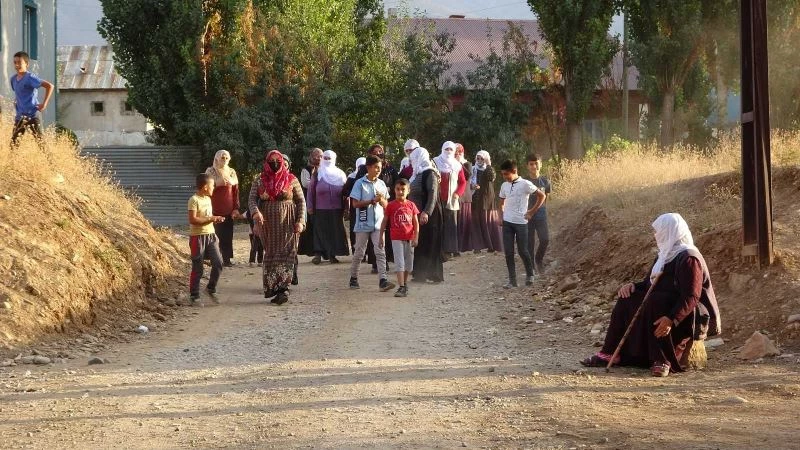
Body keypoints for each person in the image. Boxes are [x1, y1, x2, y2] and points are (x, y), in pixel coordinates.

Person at [581, 213, 721, 377]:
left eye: (659, 231)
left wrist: (671, 318)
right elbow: (650, 284)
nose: (656, 235)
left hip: (686, 314)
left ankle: (662, 359)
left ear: (670, 231)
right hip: (661, 305)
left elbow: (691, 296)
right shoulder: (665, 255)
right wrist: (633, 286)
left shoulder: (689, 258)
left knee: (657, 299)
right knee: (628, 299)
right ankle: (610, 352)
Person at [249, 150, 306, 305]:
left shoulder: (292, 179)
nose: (275, 164)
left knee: (287, 254)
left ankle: (283, 289)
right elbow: (252, 199)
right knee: (271, 254)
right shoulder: (259, 180)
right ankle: (273, 289)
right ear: (266, 163)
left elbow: (301, 201)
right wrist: (255, 213)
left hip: (288, 223)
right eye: (271, 161)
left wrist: (300, 221)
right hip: (267, 224)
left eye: (278, 161)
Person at [349, 156, 396, 292]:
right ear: (368, 167)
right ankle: (353, 278)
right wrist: (371, 201)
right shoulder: (359, 183)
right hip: (363, 223)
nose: (378, 170)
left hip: (378, 224)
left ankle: (383, 280)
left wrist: (382, 201)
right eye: (376, 167)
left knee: (380, 251)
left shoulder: (381, 184)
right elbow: (355, 204)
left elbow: (387, 205)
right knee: (359, 252)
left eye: (380, 168)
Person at [498, 159, 545, 289]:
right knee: (508, 252)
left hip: (521, 223)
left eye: (506, 174)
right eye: (503, 174)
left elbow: (542, 196)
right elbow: (501, 202)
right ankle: (512, 281)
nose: (504, 177)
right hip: (507, 223)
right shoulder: (504, 185)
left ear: (514, 171)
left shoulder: (525, 184)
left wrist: (531, 212)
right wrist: (501, 216)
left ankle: (530, 274)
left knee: (523, 250)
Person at [187, 173, 226, 306]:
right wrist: (211, 218)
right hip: (197, 237)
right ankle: (194, 296)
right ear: (205, 187)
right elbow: (193, 220)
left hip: (211, 236)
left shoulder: (208, 199)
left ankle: (210, 288)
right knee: (198, 267)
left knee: (218, 263)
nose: (213, 188)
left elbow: (207, 217)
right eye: (212, 185)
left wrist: (215, 219)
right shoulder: (193, 200)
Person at [307, 150, 350, 264]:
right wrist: (310, 206)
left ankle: (332, 255)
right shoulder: (317, 173)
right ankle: (318, 254)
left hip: (336, 208)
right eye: (325, 158)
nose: (327, 160)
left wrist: (347, 207)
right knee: (320, 231)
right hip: (320, 208)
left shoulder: (340, 174)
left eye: (329, 158)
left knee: (334, 232)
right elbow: (311, 191)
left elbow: (346, 193)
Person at [408, 147, 444, 283]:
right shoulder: (418, 173)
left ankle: (434, 275)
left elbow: (433, 193)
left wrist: (426, 212)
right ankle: (420, 275)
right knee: (421, 243)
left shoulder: (430, 172)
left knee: (431, 243)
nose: (412, 161)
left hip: (430, 215)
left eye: (413, 159)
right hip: (419, 214)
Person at [380, 178, 420, 298]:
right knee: (399, 263)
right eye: (398, 189)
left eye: (403, 189)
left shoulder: (411, 205)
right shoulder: (391, 205)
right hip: (396, 238)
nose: (400, 192)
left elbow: (416, 223)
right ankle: (401, 286)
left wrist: (416, 237)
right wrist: (381, 236)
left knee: (409, 265)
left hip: (409, 238)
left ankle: (404, 284)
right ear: (394, 190)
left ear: (408, 191)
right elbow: (384, 221)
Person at [10, 51, 54, 147]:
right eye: (15, 62)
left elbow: (50, 86)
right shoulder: (13, 79)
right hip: (20, 117)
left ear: (26, 64)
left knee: (42, 145)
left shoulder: (30, 77)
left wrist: (44, 104)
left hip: (33, 115)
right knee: (13, 146)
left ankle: (50, 158)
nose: (17, 65)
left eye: (19, 62)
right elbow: (19, 92)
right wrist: (16, 101)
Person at [205, 150, 241, 267]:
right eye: (222, 158)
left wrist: (236, 208)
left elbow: (235, 191)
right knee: (214, 235)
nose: (224, 160)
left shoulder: (231, 172)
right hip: (213, 209)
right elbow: (205, 189)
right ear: (216, 159)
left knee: (227, 235)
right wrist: (217, 183)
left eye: (226, 158)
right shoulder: (210, 171)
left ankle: (226, 259)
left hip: (228, 209)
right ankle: (213, 259)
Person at [434, 141, 467, 259]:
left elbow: (462, 182)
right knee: (438, 224)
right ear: (442, 149)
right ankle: (439, 249)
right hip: (437, 199)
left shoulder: (457, 165)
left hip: (451, 200)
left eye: (451, 149)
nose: (448, 151)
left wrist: (458, 193)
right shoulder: (435, 162)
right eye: (446, 149)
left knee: (451, 225)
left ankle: (451, 250)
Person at [470, 150, 503, 253]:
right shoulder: (473, 169)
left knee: (488, 222)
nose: (479, 160)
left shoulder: (489, 169)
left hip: (487, 198)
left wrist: (488, 164)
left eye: (482, 158)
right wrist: (472, 186)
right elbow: (468, 182)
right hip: (476, 198)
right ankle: (477, 247)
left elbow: (491, 177)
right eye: (478, 158)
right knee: (476, 222)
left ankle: (491, 246)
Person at [525, 153, 552, 274]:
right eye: (531, 164)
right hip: (527, 215)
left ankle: (538, 259)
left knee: (545, 239)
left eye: (536, 163)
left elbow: (547, 198)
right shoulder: (523, 182)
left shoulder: (545, 181)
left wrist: (545, 211)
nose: (534, 166)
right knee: (529, 242)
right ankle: (531, 267)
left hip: (541, 215)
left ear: (541, 164)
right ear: (527, 166)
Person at [298, 148, 323, 257]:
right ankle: (311, 250)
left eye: (321, 156)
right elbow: (305, 184)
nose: (319, 158)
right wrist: (320, 184)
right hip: (310, 201)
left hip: (322, 202)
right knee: (310, 226)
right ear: (311, 157)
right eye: (316, 156)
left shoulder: (325, 169)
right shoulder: (306, 170)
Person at [455, 143, 474, 253]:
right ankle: (456, 246)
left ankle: (464, 246)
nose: (457, 154)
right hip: (455, 196)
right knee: (456, 221)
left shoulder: (467, 163)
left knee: (464, 221)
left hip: (465, 196)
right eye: (455, 152)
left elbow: (468, 176)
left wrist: (459, 163)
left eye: (459, 152)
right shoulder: (451, 164)